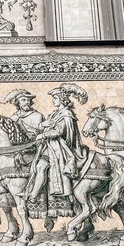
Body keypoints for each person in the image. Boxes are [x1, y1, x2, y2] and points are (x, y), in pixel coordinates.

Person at [26, 83, 88, 211]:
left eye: (55, 98)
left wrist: (43, 135)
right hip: (51, 146)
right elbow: (47, 125)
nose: (53, 100)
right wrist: (43, 126)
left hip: (60, 148)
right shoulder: (56, 114)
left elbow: (59, 131)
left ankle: (33, 195)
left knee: (41, 166)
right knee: (36, 165)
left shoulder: (66, 114)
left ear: (62, 99)